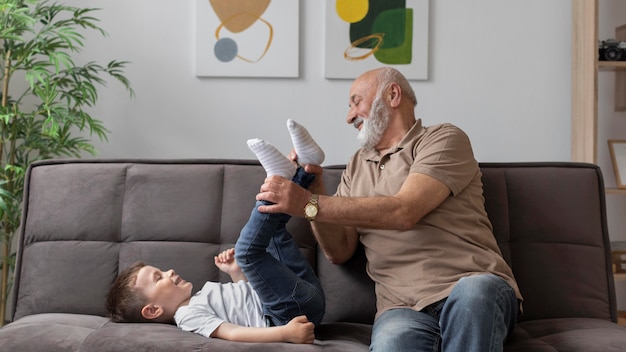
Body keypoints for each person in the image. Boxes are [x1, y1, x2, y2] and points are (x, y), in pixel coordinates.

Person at [255, 67, 523, 352]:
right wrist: (315, 189)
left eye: (356, 102)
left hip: (469, 284)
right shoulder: (356, 165)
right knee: (393, 342)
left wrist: (307, 203)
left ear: (392, 95)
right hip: (401, 307)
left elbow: (404, 211)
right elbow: (340, 251)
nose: (349, 116)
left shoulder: (443, 139)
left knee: (475, 293)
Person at [105, 120, 326, 344]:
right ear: (153, 310)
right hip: (288, 315)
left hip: (300, 295)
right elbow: (232, 332)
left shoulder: (201, 297)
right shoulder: (186, 316)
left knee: (273, 234)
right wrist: (285, 334)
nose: (169, 271)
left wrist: (235, 273)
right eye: (158, 278)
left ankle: (305, 171)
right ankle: (278, 179)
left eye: (161, 271)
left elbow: (252, 296)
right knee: (246, 252)